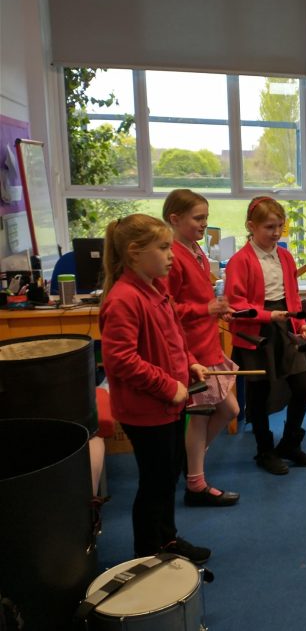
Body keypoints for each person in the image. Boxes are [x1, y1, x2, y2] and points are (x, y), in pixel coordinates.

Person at [99, 214, 211, 564]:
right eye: (162, 248)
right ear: (134, 252)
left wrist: (190, 361)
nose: (171, 255)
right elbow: (120, 360)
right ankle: (147, 553)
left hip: (169, 405)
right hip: (148, 410)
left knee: (168, 476)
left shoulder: (155, 288)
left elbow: (175, 339)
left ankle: (167, 539)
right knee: (154, 483)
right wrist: (167, 386)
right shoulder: (123, 299)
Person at [225, 196, 306, 475]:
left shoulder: (285, 256)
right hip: (255, 329)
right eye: (269, 227)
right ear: (251, 226)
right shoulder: (240, 260)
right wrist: (268, 316)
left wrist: (300, 324)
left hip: (284, 322)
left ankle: (289, 442)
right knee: (259, 392)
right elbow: (236, 303)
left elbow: (293, 296)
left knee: (302, 386)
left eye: (280, 226)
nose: (276, 232)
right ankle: (264, 450)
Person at [163, 189, 240, 507]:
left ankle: (190, 462)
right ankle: (195, 482)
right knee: (201, 415)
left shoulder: (193, 248)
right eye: (198, 218)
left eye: (206, 218)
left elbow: (196, 296)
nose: (204, 224)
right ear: (175, 219)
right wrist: (203, 310)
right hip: (191, 349)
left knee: (229, 410)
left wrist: (215, 307)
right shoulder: (171, 255)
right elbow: (167, 310)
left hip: (207, 343)